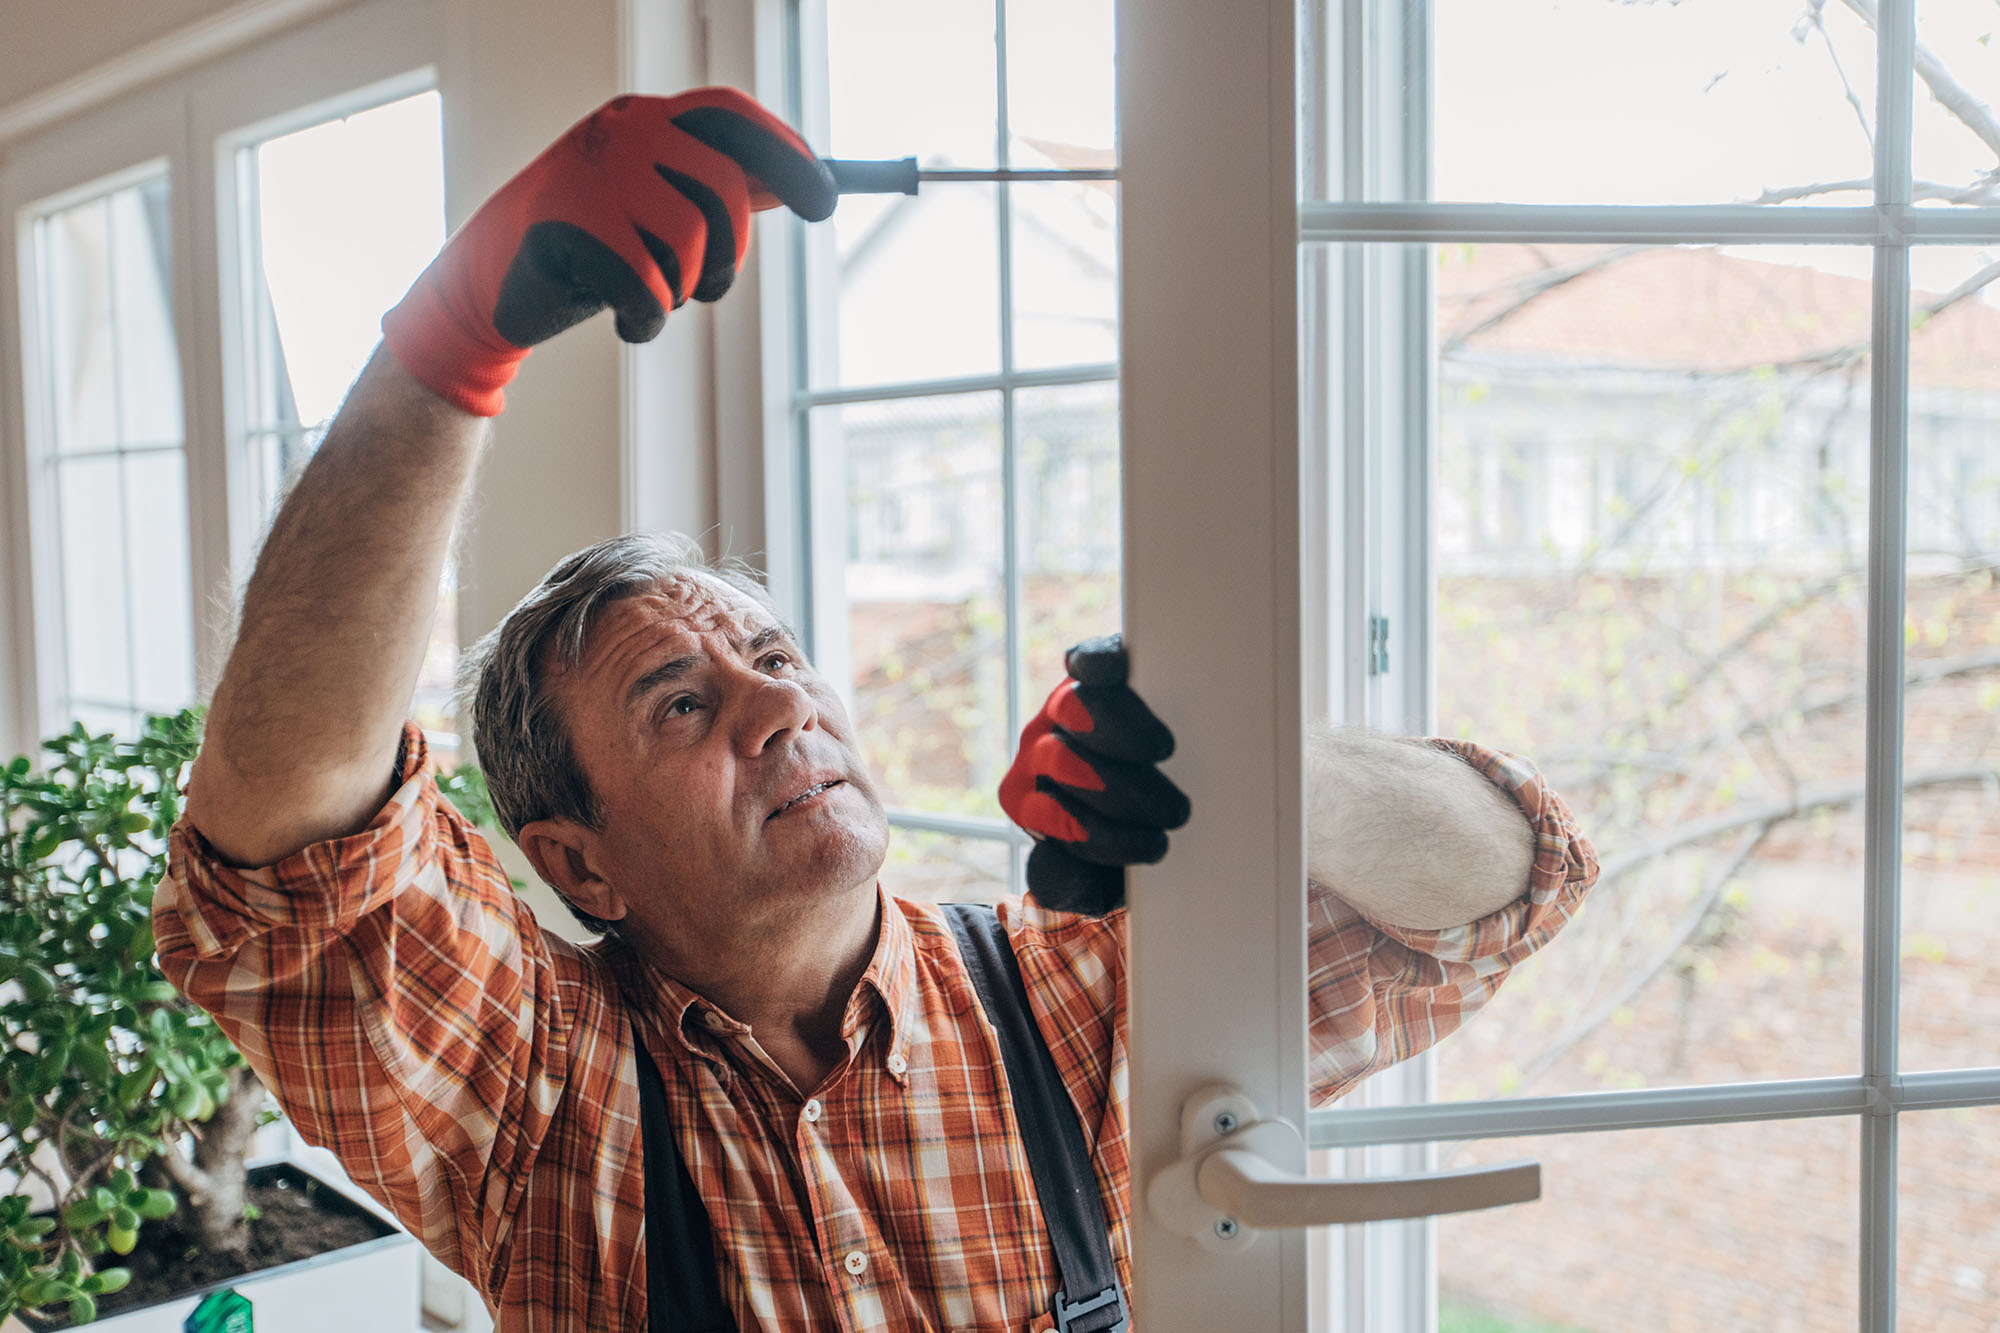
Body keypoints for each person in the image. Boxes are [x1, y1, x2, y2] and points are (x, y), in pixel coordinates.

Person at [153, 89, 1599, 1332]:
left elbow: (1507, 884)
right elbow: (293, 850)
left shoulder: (1069, 1005)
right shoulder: (538, 1088)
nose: (777, 705)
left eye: (776, 655)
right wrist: (450, 343)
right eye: (678, 702)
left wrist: (1243, 766)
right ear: (580, 860)